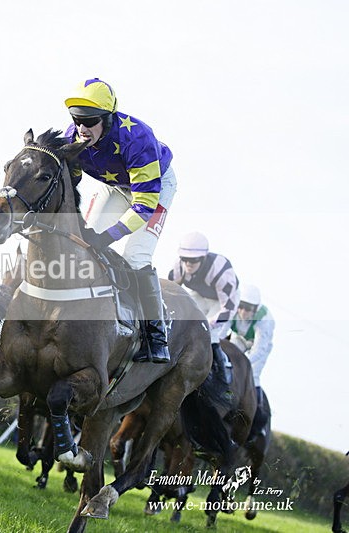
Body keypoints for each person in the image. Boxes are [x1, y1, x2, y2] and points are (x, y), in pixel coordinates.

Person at [64, 78, 177, 364]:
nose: (81, 128)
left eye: (89, 121)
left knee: (136, 257)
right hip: (115, 187)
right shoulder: (73, 139)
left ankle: (156, 333)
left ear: (108, 119)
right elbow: (71, 187)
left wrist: (109, 235)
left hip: (154, 189)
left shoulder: (137, 139)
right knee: (83, 244)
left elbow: (143, 205)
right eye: (76, 119)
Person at [169, 231, 240, 385]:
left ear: (203, 258)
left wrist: (208, 324)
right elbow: (171, 293)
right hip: (200, 294)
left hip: (223, 303)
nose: (188, 264)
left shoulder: (222, 271)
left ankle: (222, 381)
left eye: (193, 260)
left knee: (210, 334)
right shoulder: (178, 267)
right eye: (185, 259)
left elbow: (227, 310)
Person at [230, 284, 274, 435]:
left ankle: (258, 415)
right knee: (227, 361)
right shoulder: (232, 308)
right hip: (240, 339)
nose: (243, 312)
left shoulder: (265, 320)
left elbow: (259, 348)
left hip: (259, 348)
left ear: (255, 309)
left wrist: (244, 363)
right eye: (241, 306)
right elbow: (221, 331)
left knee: (252, 375)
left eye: (248, 309)